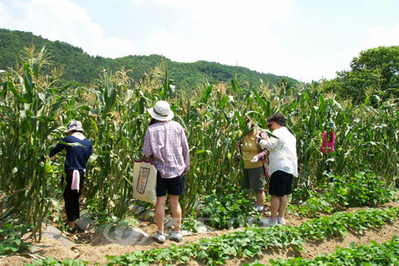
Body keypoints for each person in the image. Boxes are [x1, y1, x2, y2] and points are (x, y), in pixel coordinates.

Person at [143, 101, 190, 243]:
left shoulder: (151, 130)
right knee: (175, 203)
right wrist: (185, 166)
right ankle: (177, 232)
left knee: (160, 203)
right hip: (177, 169)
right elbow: (185, 148)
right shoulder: (177, 126)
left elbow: (146, 153)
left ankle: (161, 233)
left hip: (159, 171)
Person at [49, 120, 93, 232]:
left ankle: (71, 225)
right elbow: (90, 159)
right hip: (82, 173)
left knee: (68, 197)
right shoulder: (88, 143)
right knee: (75, 197)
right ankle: (75, 220)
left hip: (71, 172)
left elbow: (53, 151)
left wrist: (42, 158)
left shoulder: (68, 139)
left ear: (71, 131)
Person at [256, 113, 298, 227]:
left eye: (271, 125)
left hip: (280, 167)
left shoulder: (278, 133)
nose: (270, 127)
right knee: (283, 194)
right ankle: (281, 218)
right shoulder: (290, 135)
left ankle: (272, 220)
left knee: (275, 194)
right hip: (290, 168)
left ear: (276, 122)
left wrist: (260, 141)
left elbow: (270, 145)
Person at [236, 117, 269, 213]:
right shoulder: (242, 135)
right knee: (245, 189)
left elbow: (268, 148)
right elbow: (237, 148)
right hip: (244, 166)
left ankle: (260, 210)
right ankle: (247, 208)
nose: (249, 131)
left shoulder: (260, 134)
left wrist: (259, 156)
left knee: (258, 189)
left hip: (257, 166)